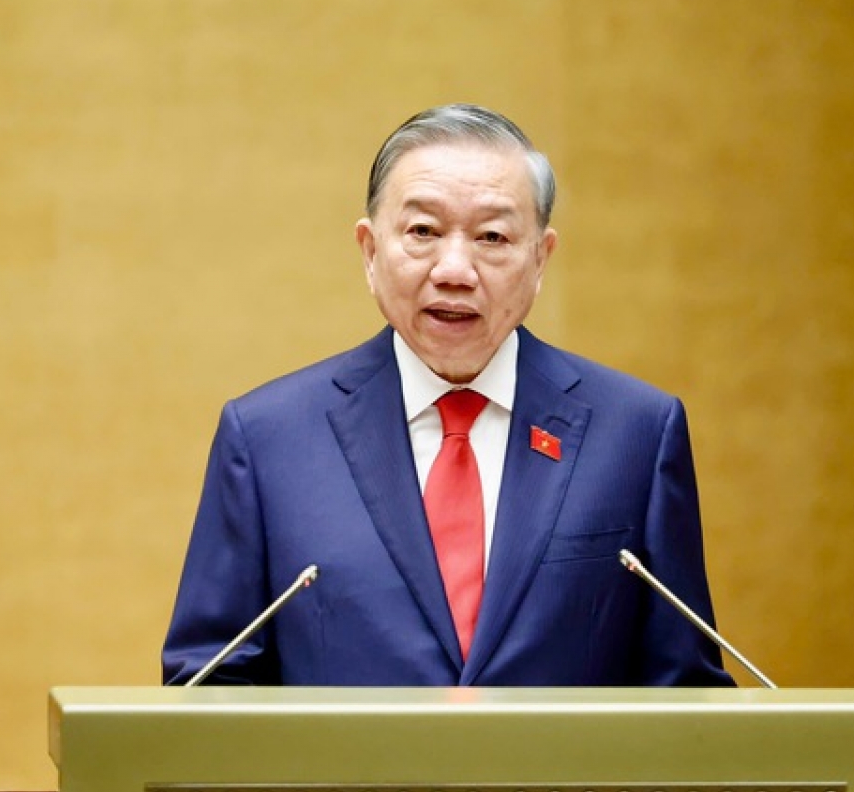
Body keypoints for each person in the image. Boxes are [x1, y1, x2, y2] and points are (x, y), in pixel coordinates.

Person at [162, 104, 733, 687]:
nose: (455, 270)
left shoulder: (636, 433)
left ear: (540, 259)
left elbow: (684, 694)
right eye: (423, 232)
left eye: (492, 237)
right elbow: (210, 687)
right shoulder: (268, 439)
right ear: (370, 251)